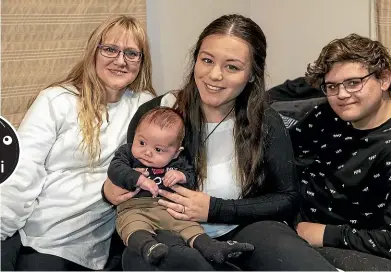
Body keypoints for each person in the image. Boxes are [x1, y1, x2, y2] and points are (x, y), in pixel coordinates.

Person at [103, 14, 337, 271]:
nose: (214, 75)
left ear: (251, 75)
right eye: (207, 60)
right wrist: (111, 189)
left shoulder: (265, 121)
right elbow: (128, 170)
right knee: (149, 258)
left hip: (242, 227)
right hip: (167, 228)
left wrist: (216, 209)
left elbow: (287, 198)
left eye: (232, 67)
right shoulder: (157, 113)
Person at [0, 15, 155, 271]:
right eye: (110, 49)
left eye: (131, 53)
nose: (120, 60)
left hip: (95, 243)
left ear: (142, 62)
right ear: (93, 51)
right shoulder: (57, 100)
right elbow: (21, 173)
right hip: (38, 234)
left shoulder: (144, 106)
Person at [291, 33, 391, 270]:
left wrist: (325, 235)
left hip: (332, 244)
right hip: (287, 214)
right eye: (332, 86)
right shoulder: (326, 115)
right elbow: (282, 150)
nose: (341, 95)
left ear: (384, 79)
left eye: (354, 82)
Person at [108, 106, 254, 266]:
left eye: (158, 149)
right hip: (134, 208)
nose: (147, 152)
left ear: (176, 152)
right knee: (132, 226)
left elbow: (192, 178)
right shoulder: (128, 153)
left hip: (170, 208)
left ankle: (212, 248)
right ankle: (148, 248)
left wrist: (181, 176)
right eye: (141, 142)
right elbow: (115, 169)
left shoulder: (178, 162)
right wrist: (138, 179)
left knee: (189, 225)